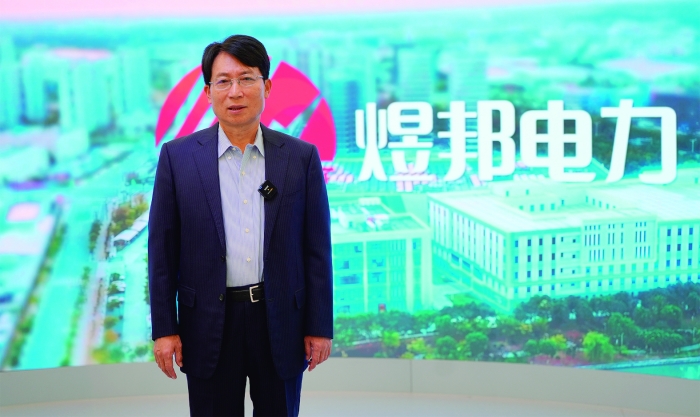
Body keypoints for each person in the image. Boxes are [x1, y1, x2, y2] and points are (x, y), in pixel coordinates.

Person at [148, 34, 333, 417]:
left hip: (279, 319)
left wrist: (319, 326)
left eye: (247, 79)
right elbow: (161, 253)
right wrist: (165, 329)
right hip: (207, 322)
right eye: (224, 81)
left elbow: (316, 250)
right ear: (207, 92)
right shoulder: (177, 158)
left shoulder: (300, 157)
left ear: (267, 86)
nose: (235, 92)